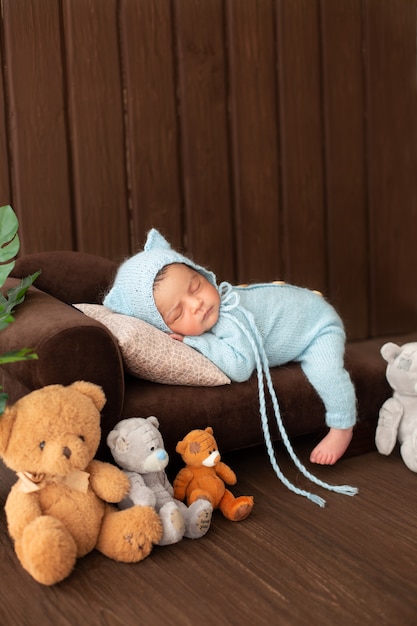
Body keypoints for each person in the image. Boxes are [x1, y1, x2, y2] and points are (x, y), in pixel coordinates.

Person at [104, 229, 358, 507]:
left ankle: (342, 426)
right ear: (164, 327)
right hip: (302, 317)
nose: (197, 304)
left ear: (203, 274)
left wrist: (194, 341)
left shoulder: (229, 318)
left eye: (196, 286)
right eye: (179, 313)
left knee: (326, 372)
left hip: (317, 326)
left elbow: (240, 366)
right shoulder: (205, 315)